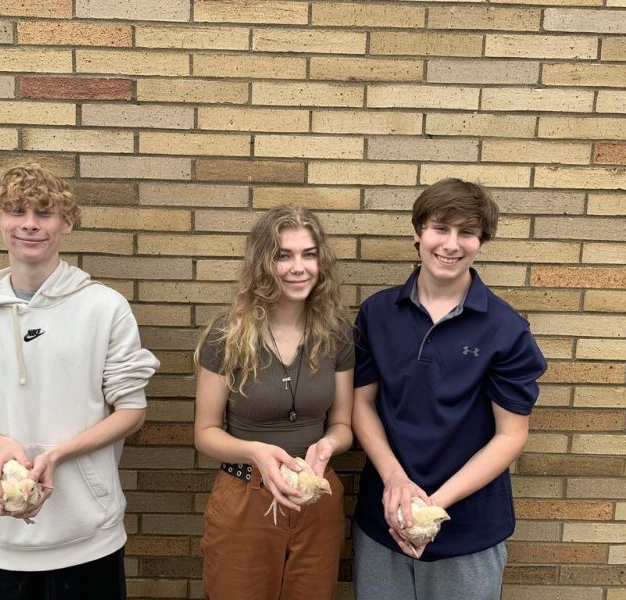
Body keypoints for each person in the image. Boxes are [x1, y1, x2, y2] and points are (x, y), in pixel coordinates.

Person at [0, 163, 159, 599]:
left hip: (90, 532)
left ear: (67, 222)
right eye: (17, 211)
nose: (30, 224)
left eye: (44, 213)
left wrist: (58, 455)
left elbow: (132, 411)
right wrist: (3, 447)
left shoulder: (105, 307)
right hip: (7, 540)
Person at [352, 178, 547, 600]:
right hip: (382, 518)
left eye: (467, 232)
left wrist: (431, 508)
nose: (451, 244)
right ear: (418, 231)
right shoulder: (377, 313)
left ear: (481, 241)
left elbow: (511, 435)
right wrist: (396, 481)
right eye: (441, 227)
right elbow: (360, 405)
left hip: (469, 529)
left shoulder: (505, 329)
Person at [194, 206, 354, 600]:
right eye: (283, 255)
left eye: (309, 254)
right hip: (246, 495)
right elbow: (205, 433)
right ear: (262, 262)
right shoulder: (226, 335)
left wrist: (329, 445)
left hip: (316, 496)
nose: (298, 267)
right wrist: (256, 452)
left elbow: (343, 425)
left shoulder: (336, 334)